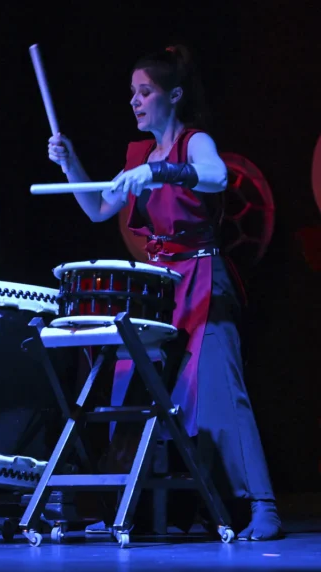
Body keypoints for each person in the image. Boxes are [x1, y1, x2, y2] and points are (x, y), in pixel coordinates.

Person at [45, 45, 282, 540]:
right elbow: (97, 209)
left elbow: (216, 177)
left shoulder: (193, 143)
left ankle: (262, 506)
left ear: (173, 96)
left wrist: (160, 172)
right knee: (133, 389)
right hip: (158, 289)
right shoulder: (137, 155)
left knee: (218, 392)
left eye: (145, 91)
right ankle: (134, 509)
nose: (135, 101)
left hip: (203, 281)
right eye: (132, 93)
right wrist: (72, 166)